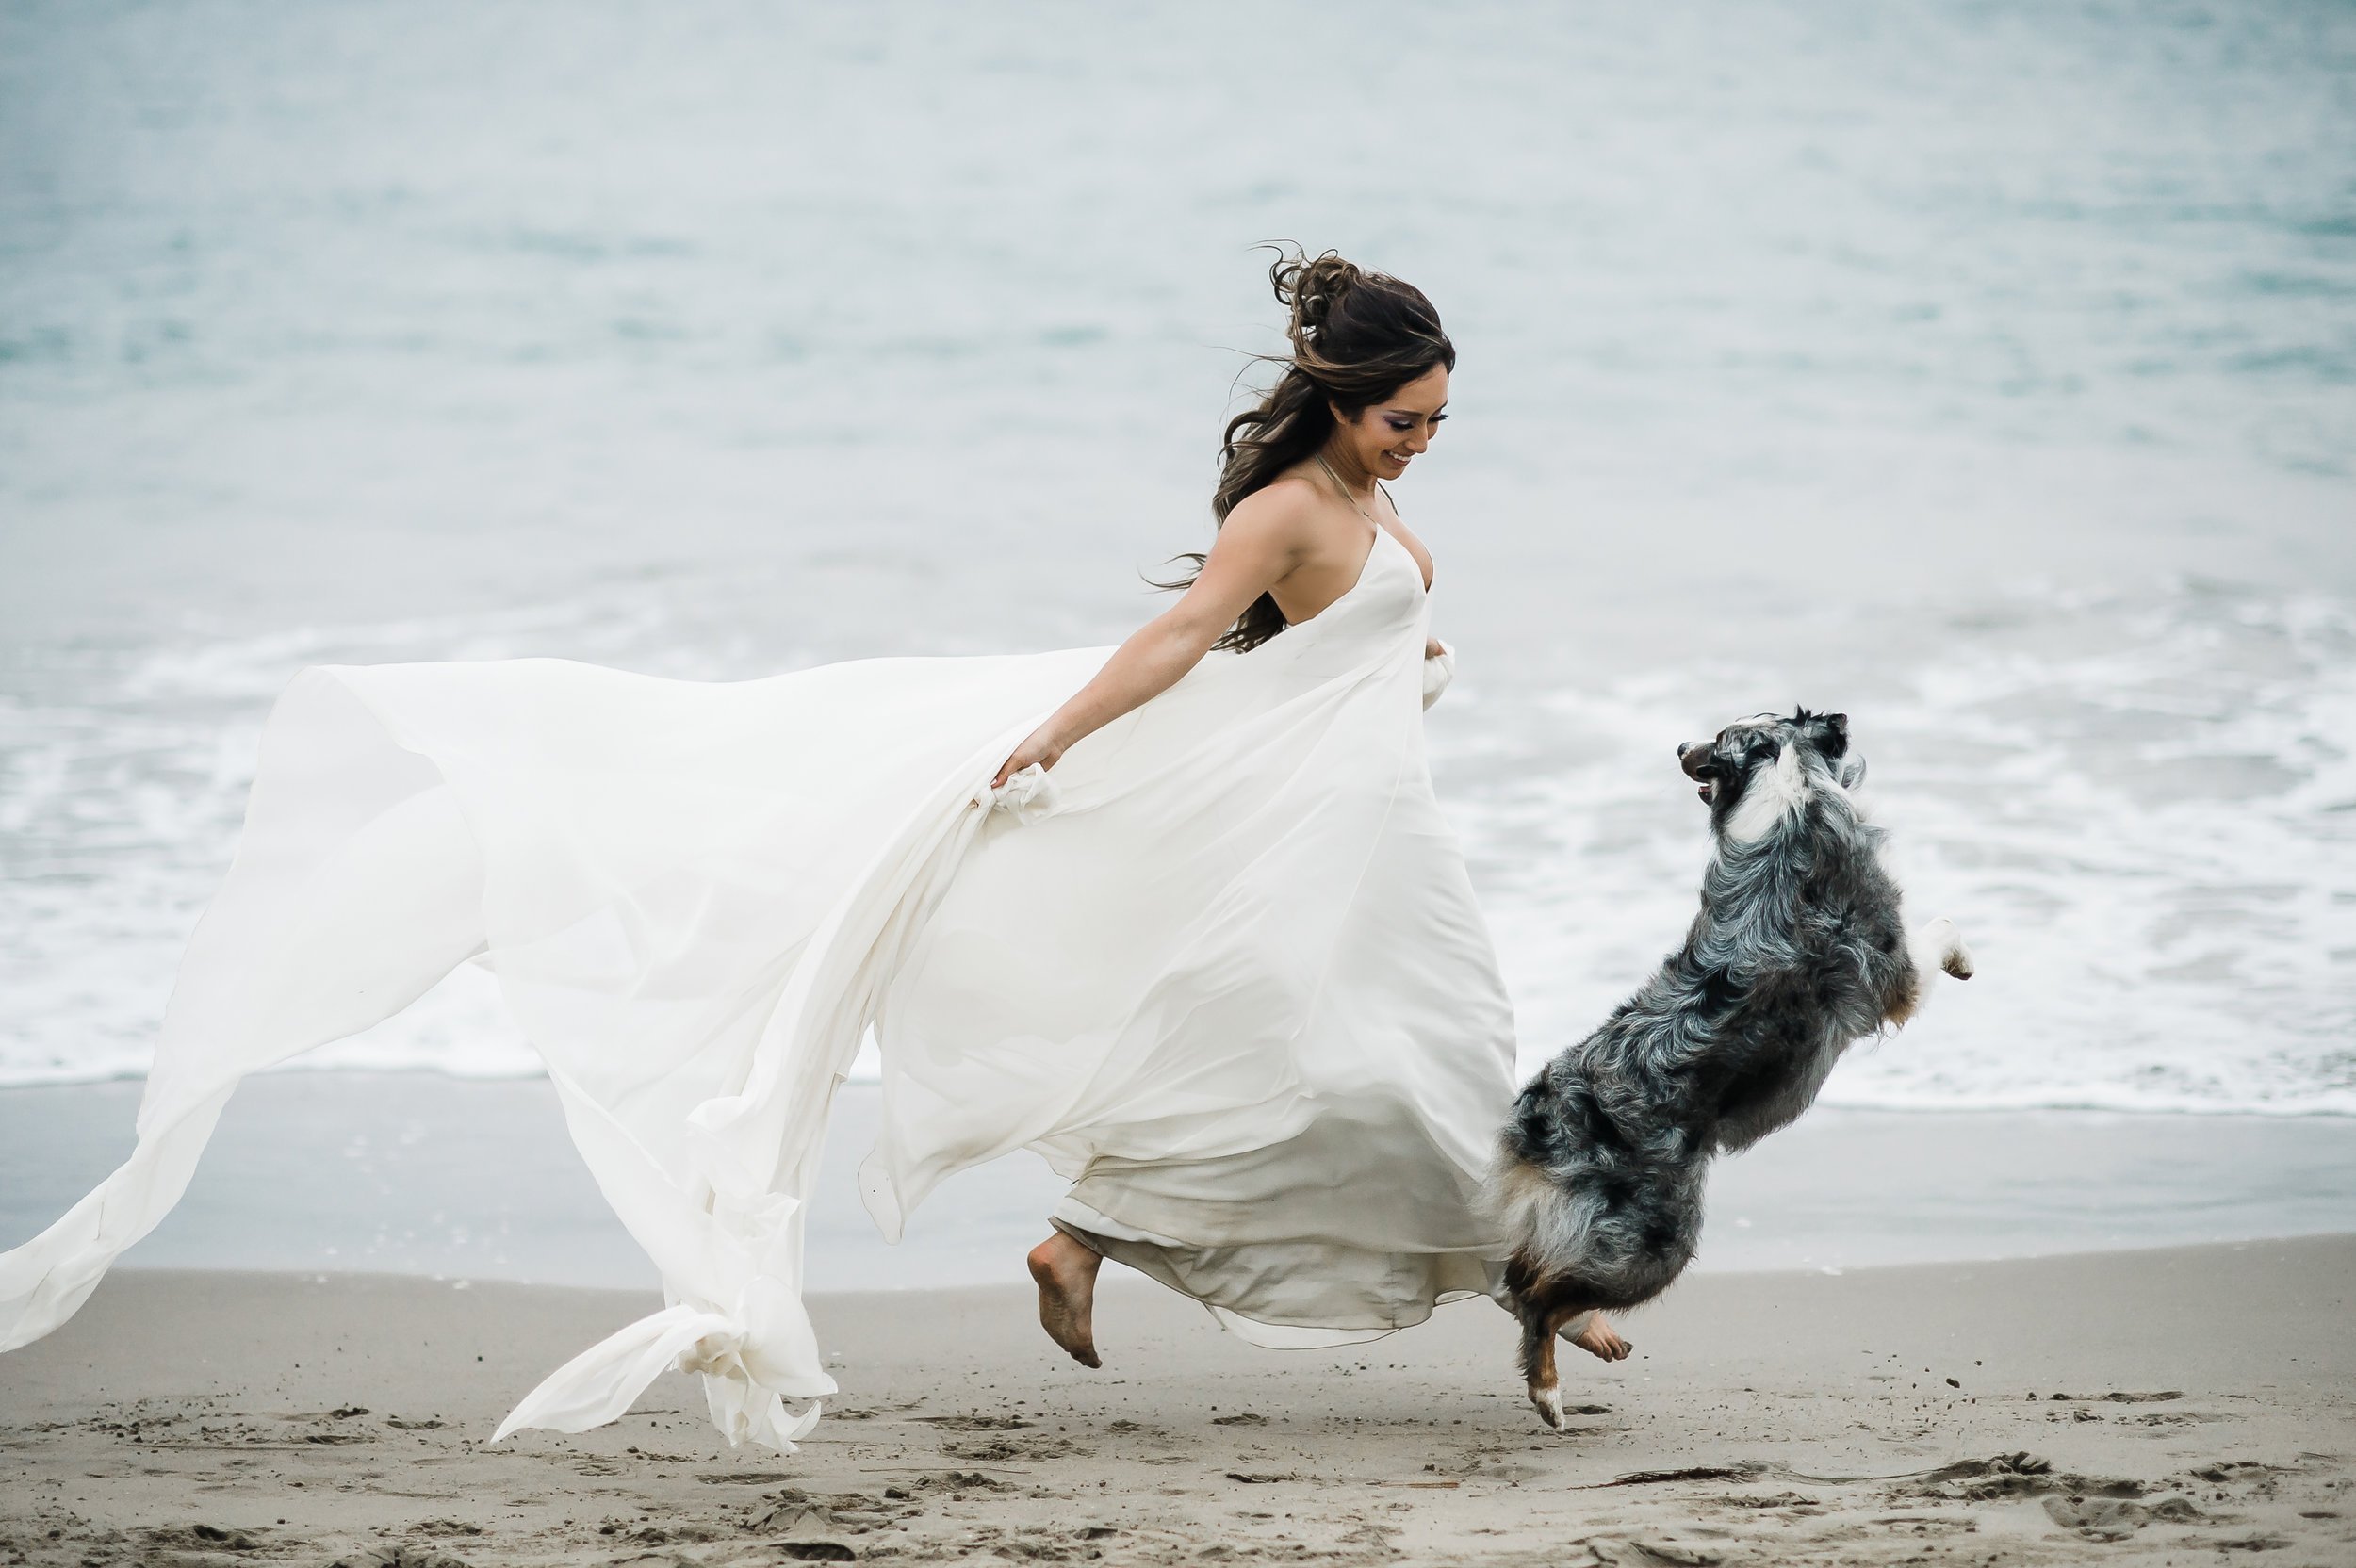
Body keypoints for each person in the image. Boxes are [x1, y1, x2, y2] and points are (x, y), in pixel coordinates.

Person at [0, 250, 1627, 1456]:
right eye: (1408, 418)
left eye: (1439, 422)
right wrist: (1056, 733)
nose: (1425, 441)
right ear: (1343, 398)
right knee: (1387, 1052)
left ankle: (1099, 1239)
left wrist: (1403, 665)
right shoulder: (1285, 501)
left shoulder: (1381, 502)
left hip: (1365, 825)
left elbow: (1340, 655)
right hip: (1319, 834)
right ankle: (1510, 1279)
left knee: (1425, 1044)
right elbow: (1187, 637)